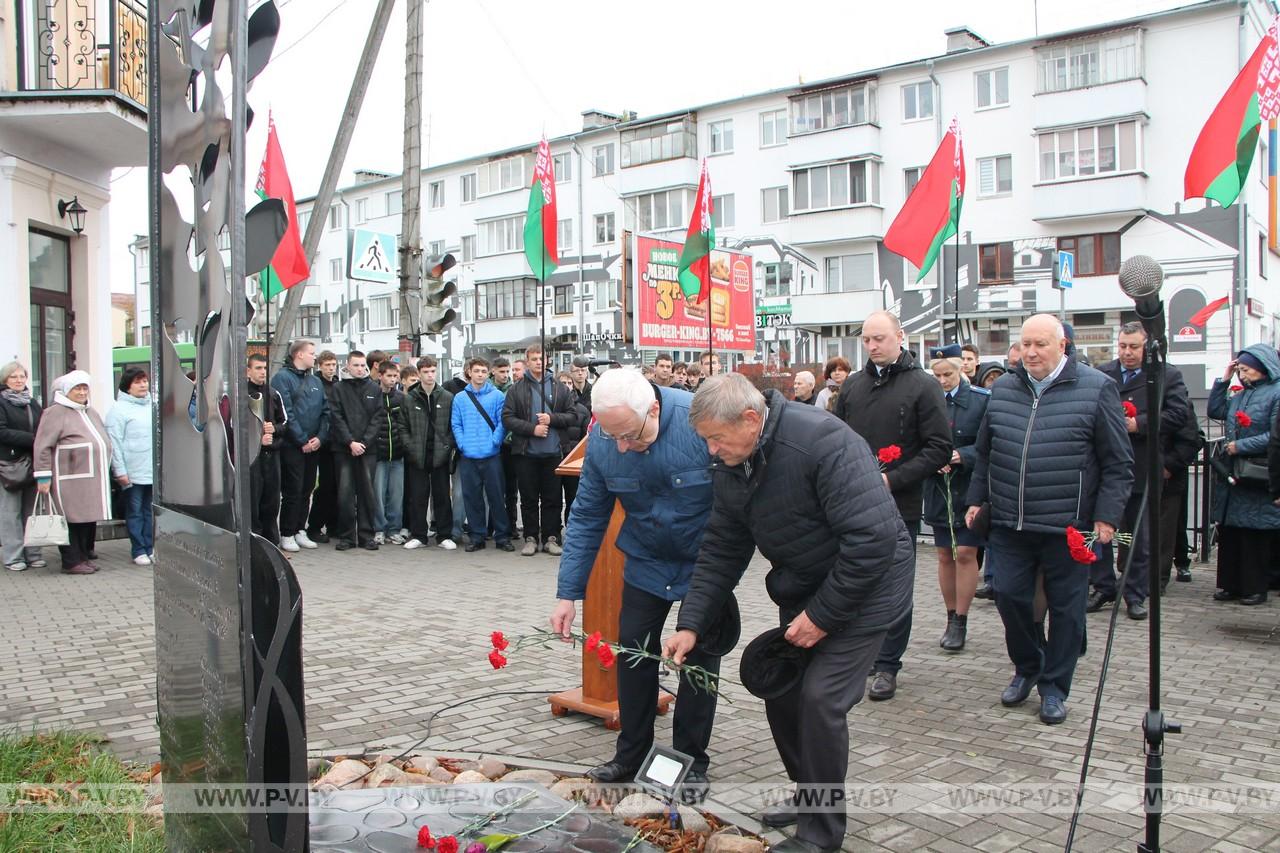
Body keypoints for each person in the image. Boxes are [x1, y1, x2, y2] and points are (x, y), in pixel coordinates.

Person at [664, 374, 914, 853]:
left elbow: (873, 541)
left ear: (752, 419)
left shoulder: (822, 441)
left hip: (869, 587)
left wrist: (821, 617)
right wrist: (691, 623)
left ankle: (820, 837)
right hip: (806, 587)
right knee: (783, 690)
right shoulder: (735, 460)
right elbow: (722, 546)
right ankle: (810, 797)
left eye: (717, 438)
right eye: (706, 440)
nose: (712, 451)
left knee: (820, 700)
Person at [552, 369, 720, 785]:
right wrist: (567, 594)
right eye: (613, 437)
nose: (623, 447)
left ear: (655, 409)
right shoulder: (605, 440)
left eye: (631, 435)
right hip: (646, 560)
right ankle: (631, 754)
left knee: (699, 661)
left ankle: (691, 759)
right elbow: (588, 516)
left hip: (704, 562)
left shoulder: (699, 423)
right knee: (633, 654)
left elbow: (735, 503)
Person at [965, 314, 1133, 725]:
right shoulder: (1003, 388)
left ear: (1063, 346)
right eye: (1025, 345)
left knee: (1068, 610)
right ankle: (1028, 666)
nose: (1031, 352)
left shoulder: (1096, 389)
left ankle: (1055, 687)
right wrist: (976, 499)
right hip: (1009, 522)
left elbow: (1117, 462)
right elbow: (985, 452)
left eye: (1040, 344)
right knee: (1007, 595)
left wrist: (1107, 517)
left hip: (1068, 526)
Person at [832, 312, 951, 701]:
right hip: (851, 502)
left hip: (900, 502)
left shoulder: (923, 386)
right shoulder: (852, 386)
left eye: (879, 338)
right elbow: (835, 439)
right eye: (866, 340)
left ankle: (888, 664)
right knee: (853, 579)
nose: (872, 346)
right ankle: (860, 655)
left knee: (895, 585)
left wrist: (892, 478)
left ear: (900, 336)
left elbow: (938, 448)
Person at [1089, 323, 1190, 620]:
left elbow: (1179, 414)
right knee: (1099, 531)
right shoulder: (1103, 373)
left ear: (1147, 347)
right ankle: (1103, 586)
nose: (1127, 353)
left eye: (1133, 347)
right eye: (1122, 346)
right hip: (1104, 467)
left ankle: (1135, 593)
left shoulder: (1165, 375)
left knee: (1138, 536)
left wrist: (1140, 424)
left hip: (1141, 465)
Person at [924, 347, 988, 652]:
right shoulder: (927, 400)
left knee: (964, 552)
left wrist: (963, 455)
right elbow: (917, 439)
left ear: (960, 369)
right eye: (936, 376)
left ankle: (961, 618)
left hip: (969, 486)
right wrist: (931, 459)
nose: (943, 381)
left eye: (947, 374)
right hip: (938, 487)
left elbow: (990, 443)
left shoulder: (980, 400)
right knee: (944, 556)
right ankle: (950, 615)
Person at [1208, 345, 1280, 604]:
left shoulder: (1276, 393)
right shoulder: (1240, 395)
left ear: (1263, 369)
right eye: (1240, 369)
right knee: (1231, 532)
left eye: (1246, 370)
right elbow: (1215, 410)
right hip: (1234, 474)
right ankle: (1230, 584)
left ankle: (1254, 587)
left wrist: (1241, 446)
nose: (1243, 375)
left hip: (1257, 471)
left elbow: (1275, 434)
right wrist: (1224, 379)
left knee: (1254, 534)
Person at [502, 345, 580, 557]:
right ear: (527, 361)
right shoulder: (516, 389)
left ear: (547, 361)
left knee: (552, 498)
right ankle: (530, 537)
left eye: (541, 359)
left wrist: (552, 419)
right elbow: (508, 418)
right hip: (526, 453)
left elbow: (573, 415)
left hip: (553, 453)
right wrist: (532, 429)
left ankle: (551, 537)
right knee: (528, 498)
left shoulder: (559, 388)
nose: (538, 362)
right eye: (534, 359)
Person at [33, 371, 113, 575]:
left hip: (91, 478)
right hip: (68, 478)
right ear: (67, 391)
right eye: (77, 388)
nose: (82, 392)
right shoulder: (55, 412)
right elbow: (42, 445)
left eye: (84, 388)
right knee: (70, 520)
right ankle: (71, 561)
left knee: (87, 519)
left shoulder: (90, 411)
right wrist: (43, 475)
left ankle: (83, 556)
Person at [272, 340, 329, 553]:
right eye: (312, 353)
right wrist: (302, 439)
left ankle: (299, 529)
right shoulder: (282, 379)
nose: (315, 357)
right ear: (299, 355)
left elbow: (326, 411)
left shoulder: (315, 381)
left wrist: (319, 438)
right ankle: (286, 532)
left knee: (307, 489)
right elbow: (286, 412)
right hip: (292, 446)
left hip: (313, 445)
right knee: (292, 490)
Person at [452, 358, 514, 553]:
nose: (480, 374)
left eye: (483, 371)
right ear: (469, 372)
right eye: (476, 370)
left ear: (488, 374)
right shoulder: (460, 398)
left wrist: (494, 442)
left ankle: (502, 537)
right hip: (468, 456)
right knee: (472, 497)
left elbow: (502, 422)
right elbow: (456, 424)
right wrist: (462, 444)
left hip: (491, 455)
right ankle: (477, 536)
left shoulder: (497, 396)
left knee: (497, 497)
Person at [330, 350, 382, 551]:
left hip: (367, 450)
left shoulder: (374, 388)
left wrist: (364, 443)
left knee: (367, 494)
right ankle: (347, 536)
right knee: (345, 493)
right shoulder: (338, 388)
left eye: (363, 365)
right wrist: (350, 442)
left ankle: (367, 535)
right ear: (348, 366)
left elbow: (377, 418)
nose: (360, 369)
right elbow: (336, 417)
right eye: (356, 365)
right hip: (344, 450)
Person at [404, 356, 456, 551]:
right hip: (417, 454)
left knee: (442, 495)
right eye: (425, 371)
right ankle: (418, 534)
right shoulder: (410, 398)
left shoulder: (447, 397)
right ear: (418, 373)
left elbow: (453, 426)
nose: (429, 375)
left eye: (432, 371)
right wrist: (410, 446)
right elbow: (403, 426)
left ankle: (444, 534)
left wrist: (447, 446)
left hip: (439, 454)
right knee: (418, 496)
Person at [105, 367, 155, 566]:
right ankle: (138, 549)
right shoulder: (118, 410)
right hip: (132, 472)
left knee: (149, 511)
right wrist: (120, 471)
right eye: (137, 382)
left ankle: (151, 547)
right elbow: (114, 443)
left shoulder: (153, 405)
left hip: (151, 470)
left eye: (144, 381)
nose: (143, 385)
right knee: (134, 511)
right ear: (127, 386)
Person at [0, 362, 46, 572]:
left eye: (21, 376)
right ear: (5, 380)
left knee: (32, 511)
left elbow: (44, 426)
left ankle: (33, 553)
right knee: (10, 513)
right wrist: (34, 439)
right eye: (14, 377)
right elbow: (2, 432)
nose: (19, 380)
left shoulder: (32, 403)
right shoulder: (1, 402)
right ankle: (13, 556)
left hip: (33, 463)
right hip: (9, 465)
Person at [1160, 397, 1202, 593]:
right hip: (1138, 473)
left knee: (1170, 526)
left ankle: (1171, 568)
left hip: (1169, 475)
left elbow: (1192, 439)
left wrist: (1170, 465)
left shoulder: (1178, 400)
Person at [244, 354, 287, 546]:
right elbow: (235, 426)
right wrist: (257, 437)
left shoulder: (274, 393)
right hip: (252, 458)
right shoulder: (241, 395)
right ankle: (254, 542)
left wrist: (274, 429)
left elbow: (284, 422)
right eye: (258, 368)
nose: (262, 372)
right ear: (248, 371)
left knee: (272, 501)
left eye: (264, 368)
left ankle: (272, 543)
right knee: (253, 501)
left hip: (273, 455)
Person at [371, 360, 407, 545]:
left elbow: (404, 425)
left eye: (395, 376)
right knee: (377, 493)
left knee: (396, 494)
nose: (393, 380)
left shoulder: (401, 398)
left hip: (398, 454)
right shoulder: (372, 396)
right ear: (380, 376)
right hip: (378, 454)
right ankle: (378, 528)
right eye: (389, 376)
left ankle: (394, 528)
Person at [306, 350, 341, 544]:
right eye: (327, 365)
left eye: (333, 365)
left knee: (336, 485)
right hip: (322, 442)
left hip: (336, 442)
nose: (331, 368)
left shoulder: (337, 385)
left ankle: (333, 524)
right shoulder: (316, 384)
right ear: (320, 366)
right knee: (324, 486)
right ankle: (315, 525)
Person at [490, 356, 519, 543]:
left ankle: (511, 525)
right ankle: (492, 525)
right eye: (501, 371)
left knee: (511, 489)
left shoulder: (514, 390)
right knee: (493, 488)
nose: (505, 375)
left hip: (509, 445)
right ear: (493, 371)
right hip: (492, 445)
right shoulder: (487, 390)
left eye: (507, 371)